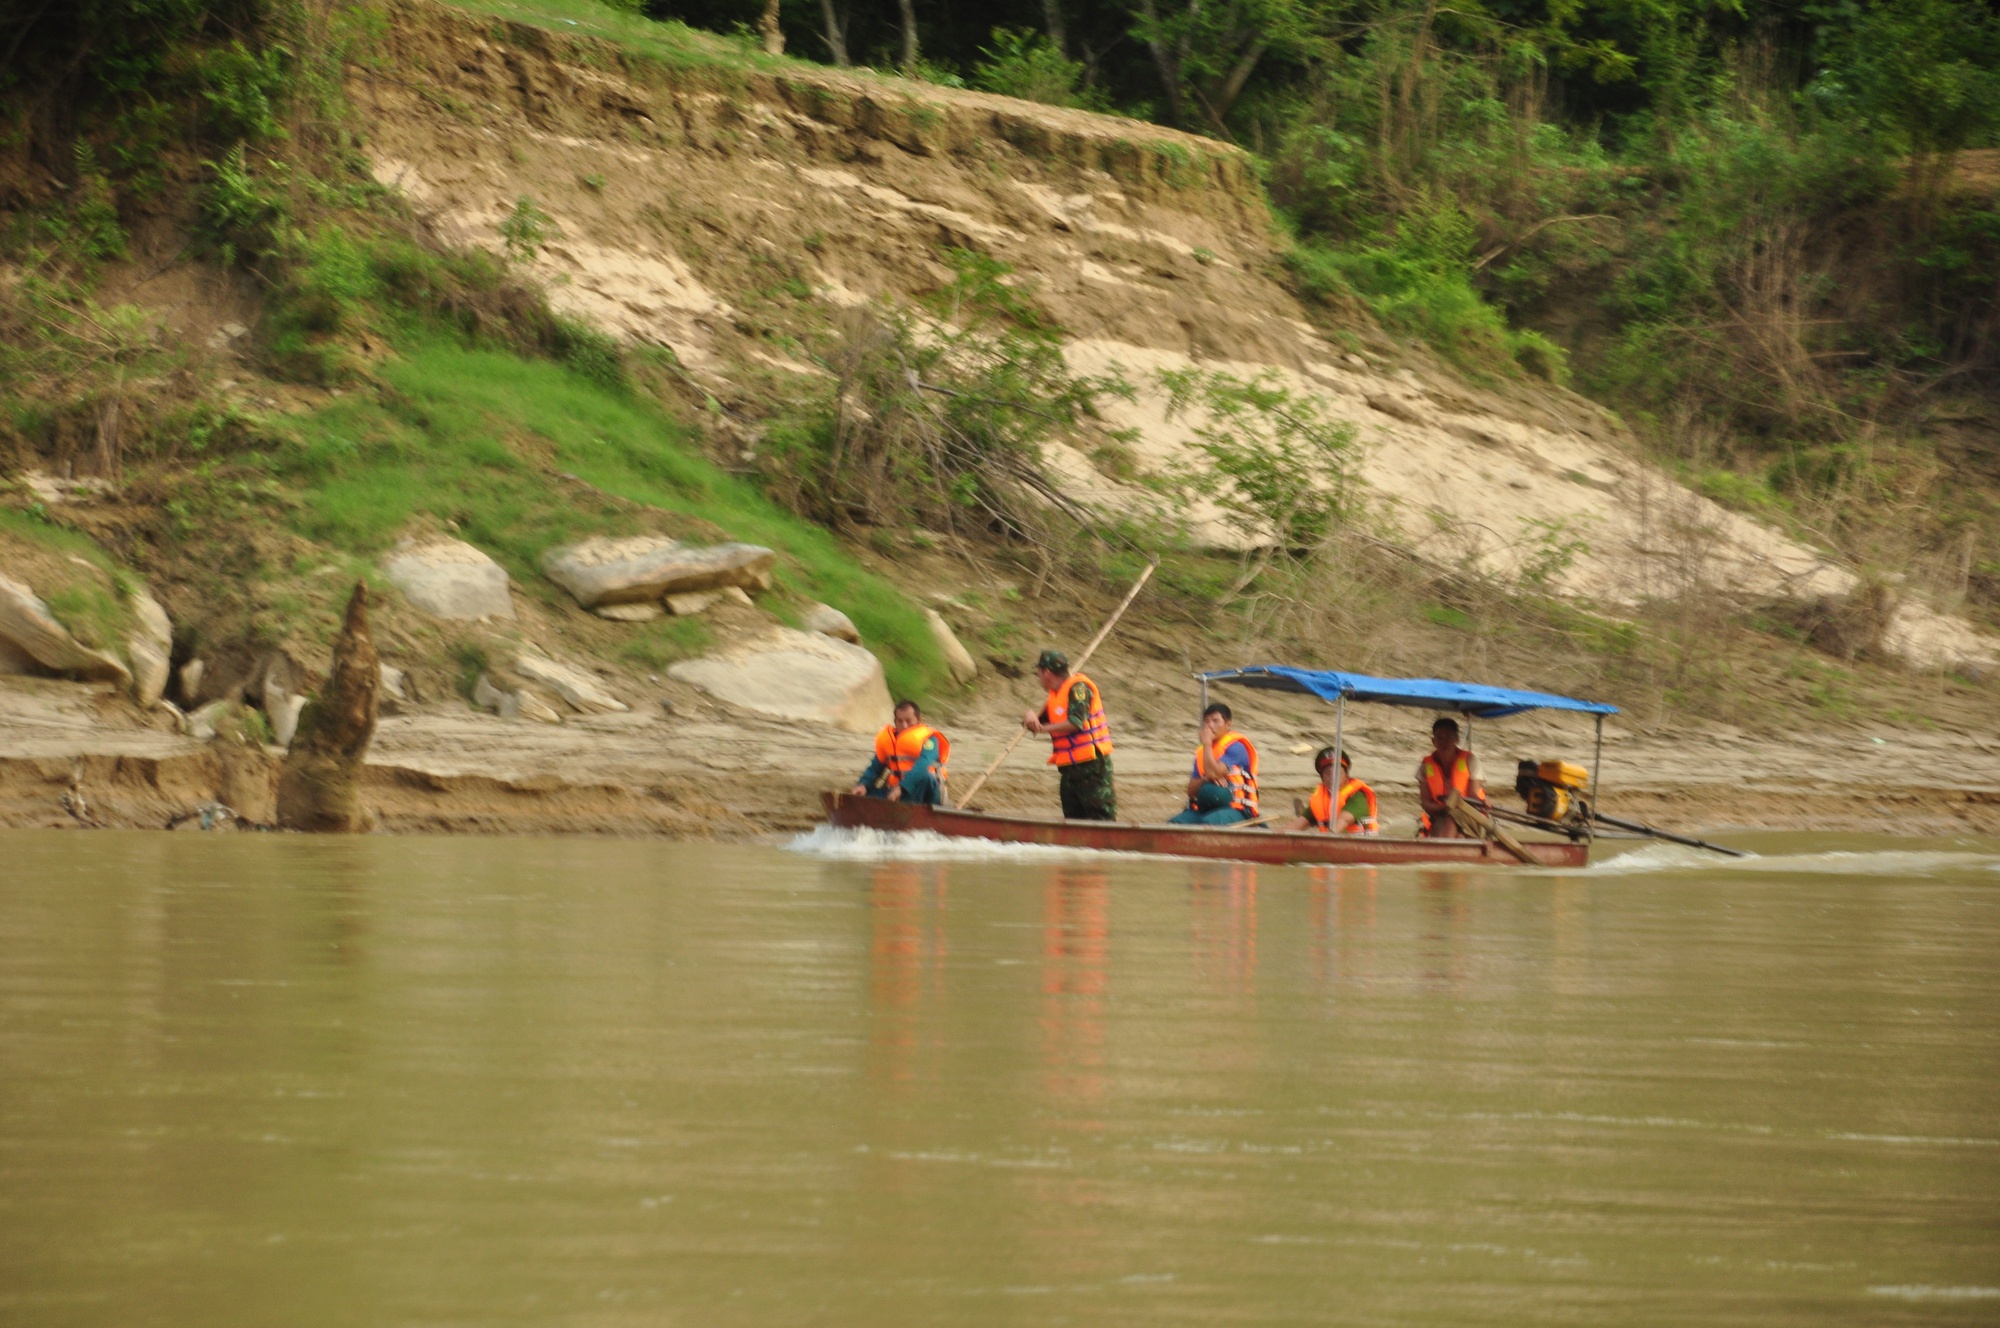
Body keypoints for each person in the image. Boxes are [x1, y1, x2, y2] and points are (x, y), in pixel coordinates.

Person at [1021, 649, 1116, 821]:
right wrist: (1029, 716)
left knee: (1100, 819)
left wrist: (1041, 729)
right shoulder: (1055, 695)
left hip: (1092, 768)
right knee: (1073, 820)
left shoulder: (1079, 688)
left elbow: (1076, 723)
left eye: (1039, 672)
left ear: (1047, 672)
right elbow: (1036, 723)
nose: (1038, 677)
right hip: (1069, 770)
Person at [1170, 702, 1259, 825]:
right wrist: (1205, 779)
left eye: (1215, 721)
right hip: (1205, 808)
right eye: (1207, 721)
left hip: (1238, 809)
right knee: (1176, 823)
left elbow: (1214, 773)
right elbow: (1191, 791)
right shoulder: (1201, 753)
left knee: (1209, 823)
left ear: (1228, 724)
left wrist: (1207, 743)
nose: (1210, 725)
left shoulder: (1236, 747)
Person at [851, 700, 949, 806]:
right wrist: (863, 784)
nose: (904, 725)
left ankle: (906, 809)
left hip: (926, 793)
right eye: (900, 721)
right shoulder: (889, 741)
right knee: (864, 794)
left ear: (919, 719)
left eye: (909, 721)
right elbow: (874, 768)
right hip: (896, 792)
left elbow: (923, 764)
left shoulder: (930, 739)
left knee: (926, 776)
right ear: (895, 721)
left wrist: (902, 787)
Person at [1416, 716, 1487, 838]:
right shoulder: (1425, 766)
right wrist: (1445, 808)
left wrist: (1484, 802)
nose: (1444, 742)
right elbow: (1426, 803)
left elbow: (1473, 796)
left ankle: (1443, 851)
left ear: (1457, 739)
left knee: (1452, 818)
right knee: (1456, 833)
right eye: (1439, 738)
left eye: (1448, 737)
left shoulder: (1471, 761)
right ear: (1433, 741)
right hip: (1440, 815)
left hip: (1469, 815)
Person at [1286, 746, 1378, 834]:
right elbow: (1297, 824)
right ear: (1322, 779)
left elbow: (1344, 820)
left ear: (1347, 776)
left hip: (1358, 846)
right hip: (1329, 844)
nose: (1333, 777)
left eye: (1337, 772)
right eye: (1328, 773)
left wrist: (1325, 838)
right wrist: (1274, 836)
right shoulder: (1320, 800)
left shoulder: (1357, 796)